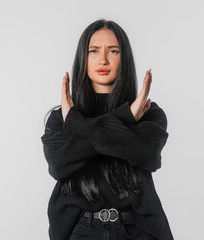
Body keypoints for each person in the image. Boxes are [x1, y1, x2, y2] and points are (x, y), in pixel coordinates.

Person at [41, 19, 174, 240]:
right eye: (94, 51)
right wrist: (126, 117)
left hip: (138, 229)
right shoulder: (59, 117)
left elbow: (147, 156)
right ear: (83, 58)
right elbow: (58, 164)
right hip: (81, 227)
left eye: (113, 51)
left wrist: (76, 124)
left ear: (125, 58)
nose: (103, 59)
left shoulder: (149, 113)